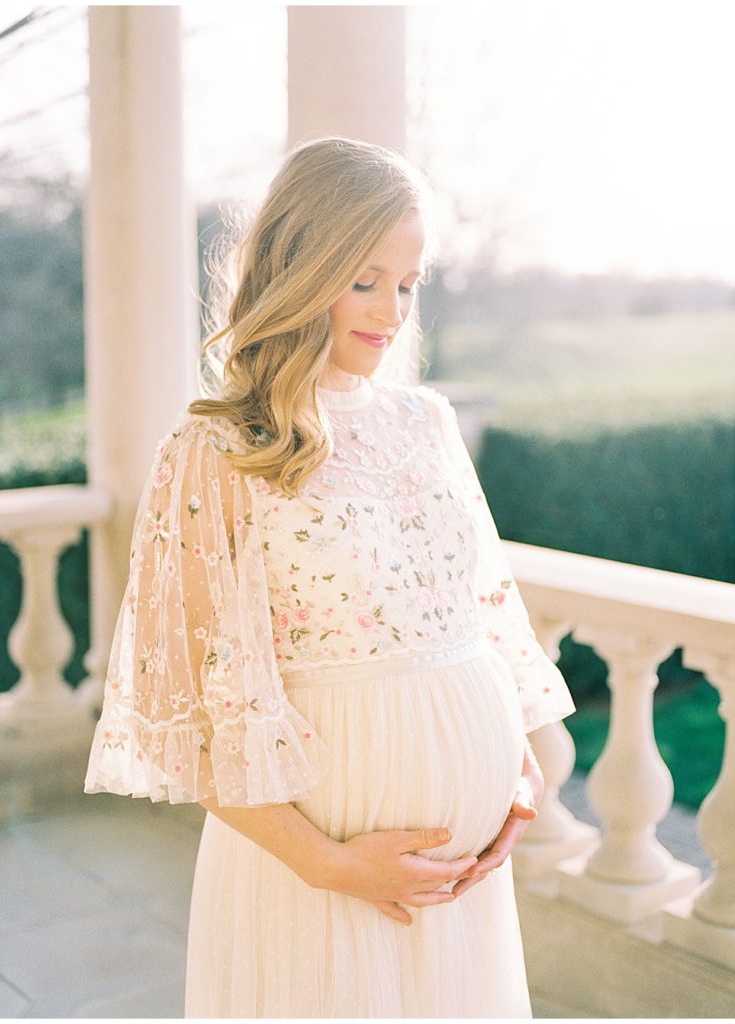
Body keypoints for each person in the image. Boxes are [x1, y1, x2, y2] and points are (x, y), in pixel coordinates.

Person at [84, 136, 575, 1018]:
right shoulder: (214, 453)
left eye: (407, 282)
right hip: (316, 870)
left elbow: (476, 614)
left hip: (460, 887)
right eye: (364, 279)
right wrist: (328, 863)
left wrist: (517, 771)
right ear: (299, 269)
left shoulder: (424, 420)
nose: (390, 310)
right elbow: (193, 713)